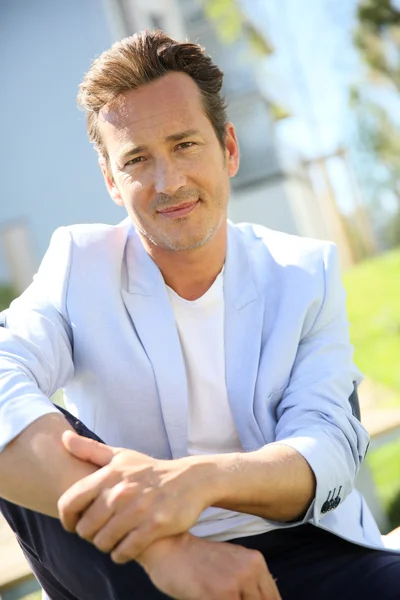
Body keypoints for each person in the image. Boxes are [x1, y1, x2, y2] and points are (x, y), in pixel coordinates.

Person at [0, 29, 399, 600]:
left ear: (229, 148)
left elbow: (329, 449)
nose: (169, 182)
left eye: (185, 144)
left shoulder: (304, 273)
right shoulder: (77, 264)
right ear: (112, 181)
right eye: (137, 159)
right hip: (139, 565)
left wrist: (197, 482)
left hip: (306, 550)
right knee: (24, 426)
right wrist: (168, 548)